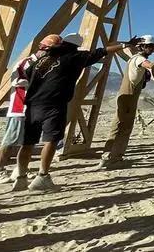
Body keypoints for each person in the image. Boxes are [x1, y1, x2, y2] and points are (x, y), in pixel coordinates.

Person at [16, 33, 133, 191]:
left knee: (27, 143)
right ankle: (42, 177)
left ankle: (21, 177)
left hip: (32, 104)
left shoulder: (42, 60)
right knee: (51, 140)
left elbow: (26, 76)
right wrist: (125, 45)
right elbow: (102, 51)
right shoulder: (74, 56)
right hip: (54, 104)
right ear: (76, 46)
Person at [0, 36, 51, 185]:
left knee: (27, 142)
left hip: (33, 109)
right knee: (9, 141)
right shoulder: (25, 63)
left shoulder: (46, 64)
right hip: (19, 108)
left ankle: (20, 168)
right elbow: (18, 81)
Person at [99, 34, 154, 169]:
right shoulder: (139, 59)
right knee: (124, 128)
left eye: (152, 47)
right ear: (142, 47)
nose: (151, 49)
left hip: (125, 96)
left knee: (117, 126)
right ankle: (115, 158)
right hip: (129, 97)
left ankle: (107, 157)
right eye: (149, 46)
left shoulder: (133, 58)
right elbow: (150, 65)